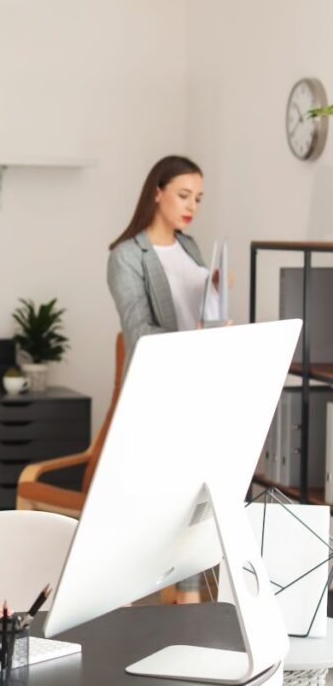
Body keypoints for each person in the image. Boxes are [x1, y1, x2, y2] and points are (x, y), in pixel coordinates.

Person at [107, 155, 225, 604]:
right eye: (183, 195)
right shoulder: (126, 256)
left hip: (196, 389)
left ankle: (190, 600)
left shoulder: (192, 247)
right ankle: (155, 600)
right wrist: (193, 335)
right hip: (157, 397)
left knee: (196, 503)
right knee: (162, 509)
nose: (191, 205)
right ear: (157, 191)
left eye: (198, 198)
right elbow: (139, 337)